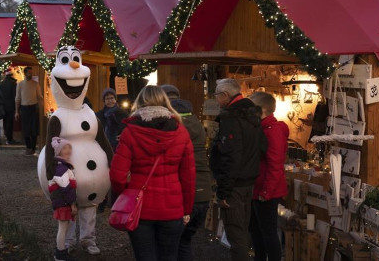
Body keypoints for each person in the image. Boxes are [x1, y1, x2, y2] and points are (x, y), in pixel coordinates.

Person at [110, 85, 196, 261]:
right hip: (172, 209)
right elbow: (188, 177)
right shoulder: (181, 132)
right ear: (165, 101)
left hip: (140, 209)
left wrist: (124, 194)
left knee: (145, 256)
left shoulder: (130, 132)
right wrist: (186, 209)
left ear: (139, 103)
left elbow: (116, 176)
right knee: (169, 256)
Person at [209, 78, 266, 261]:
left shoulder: (231, 117)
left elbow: (230, 155)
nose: (216, 99)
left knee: (236, 233)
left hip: (234, 184)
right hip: (248, 181)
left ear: (225, 95)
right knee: (242, 229)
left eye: (217, 95)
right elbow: (262, 146)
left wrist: (224, 191)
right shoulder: (253, 115)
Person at [159, 84, 212, 261]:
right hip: (204, 192)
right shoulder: (197, 123)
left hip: (184, 195)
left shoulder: (171, 126)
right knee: (185, 242)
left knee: (170, 245)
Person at [248, 92, 288, 261]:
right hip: (257, 188)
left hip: (266, 190)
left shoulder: (273, 131)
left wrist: (266, 192)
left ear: (262, 109)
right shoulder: (262, 128)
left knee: (268, 233)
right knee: (256, 230)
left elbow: (275, 165)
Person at [48, 137, 78, 261]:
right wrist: (73, 205)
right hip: (63, 203)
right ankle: (60, 254)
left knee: (63, 227)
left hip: (62, 202)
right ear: (59, 151)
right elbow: (66, 188)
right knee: (63, 228)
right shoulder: (61, 168)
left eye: (69, 148)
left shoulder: (62, 165)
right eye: (64, 148)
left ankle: (61, 252)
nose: (68, 151)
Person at [15, 67, 43, 155]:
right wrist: (16, 111)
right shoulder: (20, 84)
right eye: (29, 72)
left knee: (34, 129)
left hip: (34, 108)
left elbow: (39, 97)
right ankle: (28, 147)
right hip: (24, 108)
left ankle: (33, 148)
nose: (31, 74)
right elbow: (17, 98)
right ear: (25, 73)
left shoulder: (36, 84)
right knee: (26, 129)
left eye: (31, 72)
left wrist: (41, 107)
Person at [0, 69, 17, 144]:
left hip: (3, 105)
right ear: (11, 75)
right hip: (11, 105)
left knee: (5, 121)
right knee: (10, 122)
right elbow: (14, 96)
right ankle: (9, 139)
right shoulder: (13, 83)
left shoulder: (1, 83)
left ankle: (6, 135)